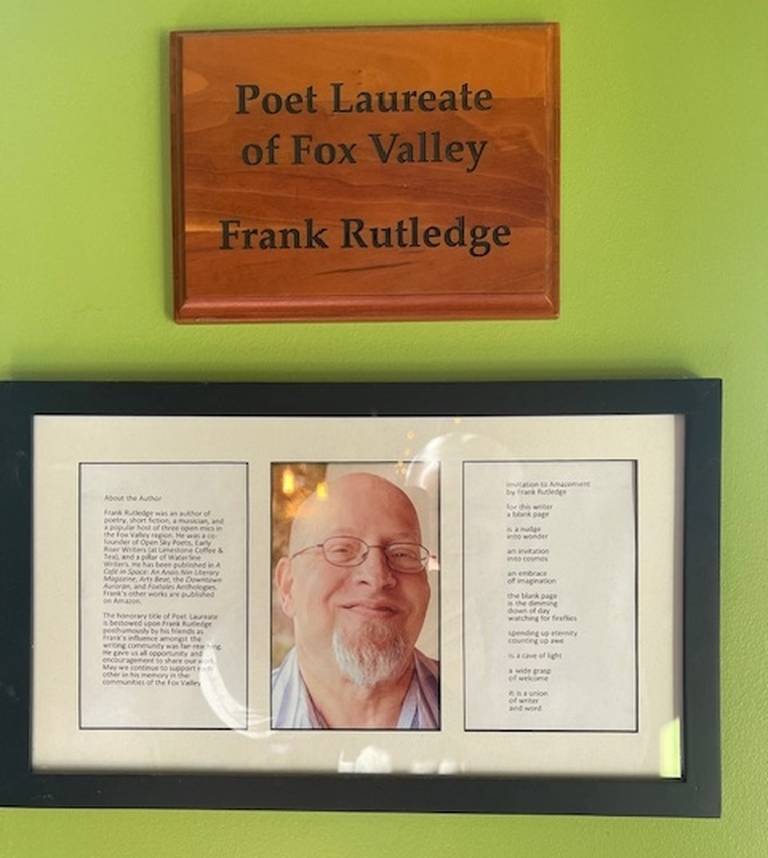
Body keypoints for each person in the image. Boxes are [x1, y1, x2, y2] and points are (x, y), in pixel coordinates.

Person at [272, 472, 439, 729]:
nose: (377, 576)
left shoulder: (482, 706)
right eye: (341, 549)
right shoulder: (232, 716)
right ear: (288, 586)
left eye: (402, 553)